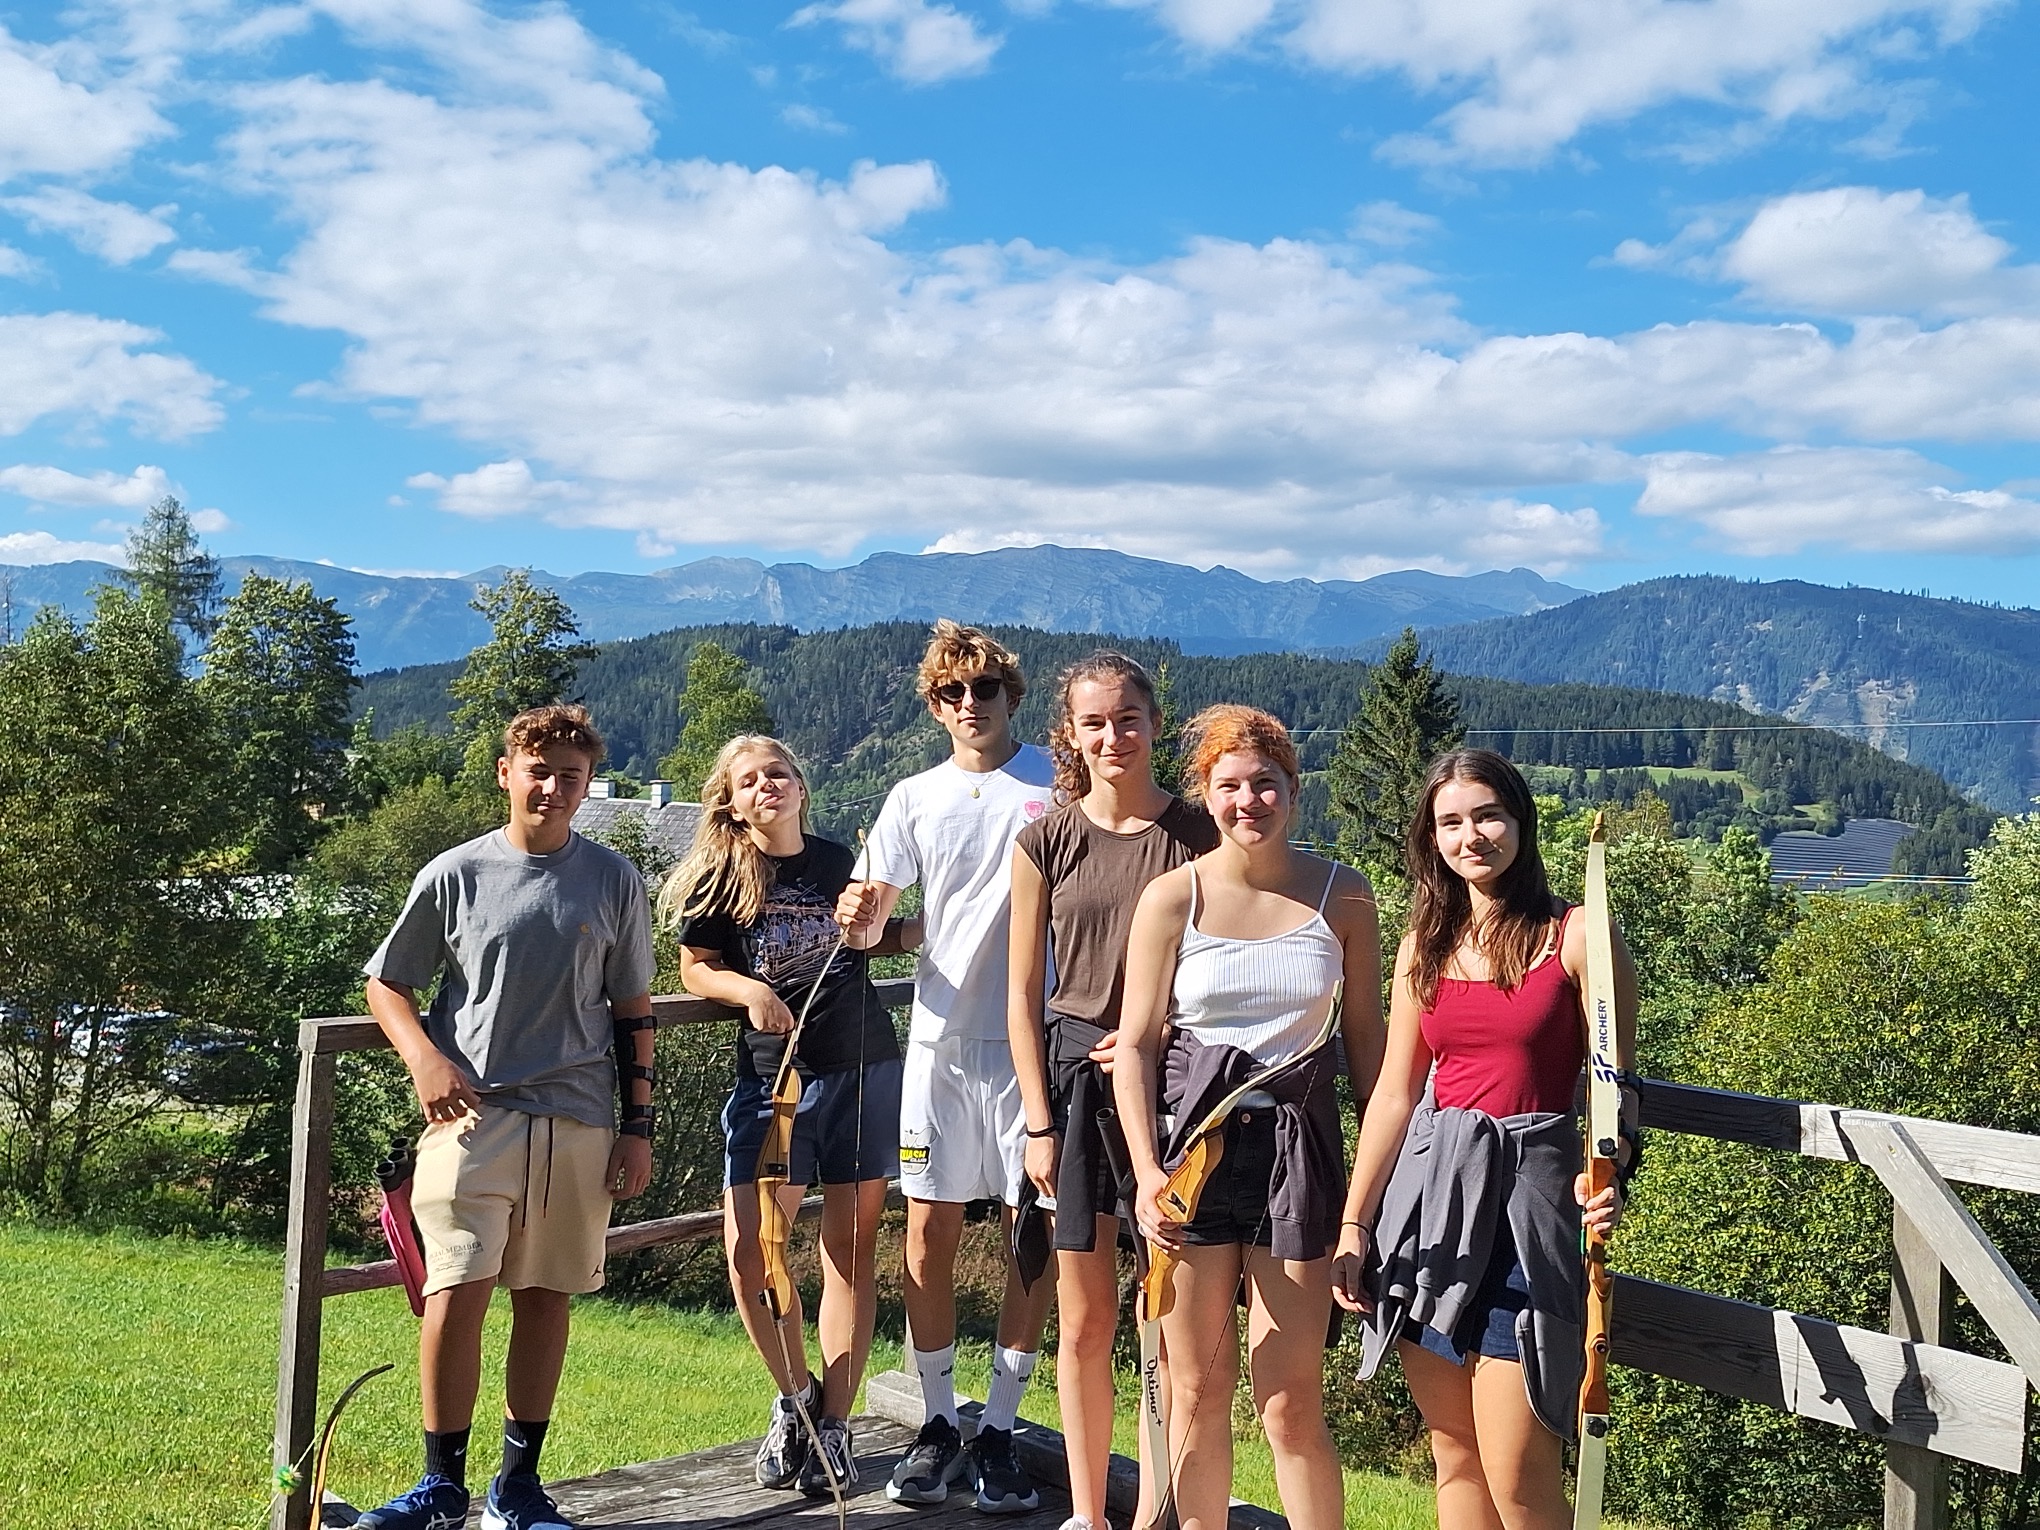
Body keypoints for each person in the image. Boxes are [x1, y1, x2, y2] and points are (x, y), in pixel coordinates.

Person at [356, 704, 657, 1530]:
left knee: (546, 1294)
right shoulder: (453, 874)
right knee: (455, 1288)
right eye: (540, 770)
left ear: (589, 786)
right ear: (505, 772)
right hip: (471, 1116)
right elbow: (388, 983)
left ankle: (517, 1488)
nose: (554, 788)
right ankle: (440, 1486)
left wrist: (639, 1128)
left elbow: (632, 1009)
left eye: (572, 776)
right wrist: (424, 1058)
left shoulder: (613, 879)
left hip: (581, 1114)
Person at [1332, 749, 1638, 1530]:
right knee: (1455, 1457)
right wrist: (1355, 1224)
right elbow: (1395, 1095)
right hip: (1429, 1214)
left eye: (1488, 814)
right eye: (1451, 822)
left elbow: (1615, 1091)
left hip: (1531, 1220)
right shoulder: (1423, 947)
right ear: (1431, 838)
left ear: (1520, 821)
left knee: (1517, 1475)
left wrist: (1609, 1176)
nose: (1473, 836)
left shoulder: (1577, 937)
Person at [1114, 705, 1384, 1530]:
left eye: (1265, 784)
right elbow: (1135, 1047)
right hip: (1192, 1156)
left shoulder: (1346, 895)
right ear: (1207, 795)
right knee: (1193, 1387)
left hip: (1299, 1158)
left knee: (1291, 1401)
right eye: (1229, 787)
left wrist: (1369, 1200)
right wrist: (1149, 1174)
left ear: (1294, 793)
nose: (1248, 801)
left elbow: (1370, 1049)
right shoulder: (1172, 897)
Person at [836, 620, 1058, 1513]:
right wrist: (863, 923)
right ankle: (936, 1422)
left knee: (1028, 1236)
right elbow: (873, 927)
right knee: (926, 1234)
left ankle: (999, 1427)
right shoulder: (913, 796)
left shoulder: (1057, 781)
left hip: (1033, 1048)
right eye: (952, 694)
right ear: (935, 706)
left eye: (986, 691)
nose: (971, 706)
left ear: (1013, 696)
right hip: (938, 1041)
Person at [662, 735, 909, 1498]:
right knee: (753, 1254)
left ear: (801, 787)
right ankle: (796, 1397)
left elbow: (875, 940)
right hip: (773, 1086)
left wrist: (934, 927)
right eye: (748, 779)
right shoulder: (722, 876)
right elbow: (695, 965)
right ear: (730, 803)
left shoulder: (844, 864)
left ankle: (834, 1423)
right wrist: (749, 992)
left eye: (778, 772)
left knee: (850, 1252)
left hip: (863, 1069)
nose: (766, 784)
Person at [1008, 652, 1218, 1530]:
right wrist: (1037, 1122)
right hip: (1068, 1082)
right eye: (1094, 722)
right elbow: (1020, 991)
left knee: (1167, 1319)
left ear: (1154, 723)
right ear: (1071, 733)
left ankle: (1156, 1512)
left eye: (1127, 718)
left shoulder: (1202, 836)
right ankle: (1088, 1515)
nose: (1112, 737)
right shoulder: (1045, 840)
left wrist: (1156, 1036)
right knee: (1087, 1318)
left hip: (1174, 1085)